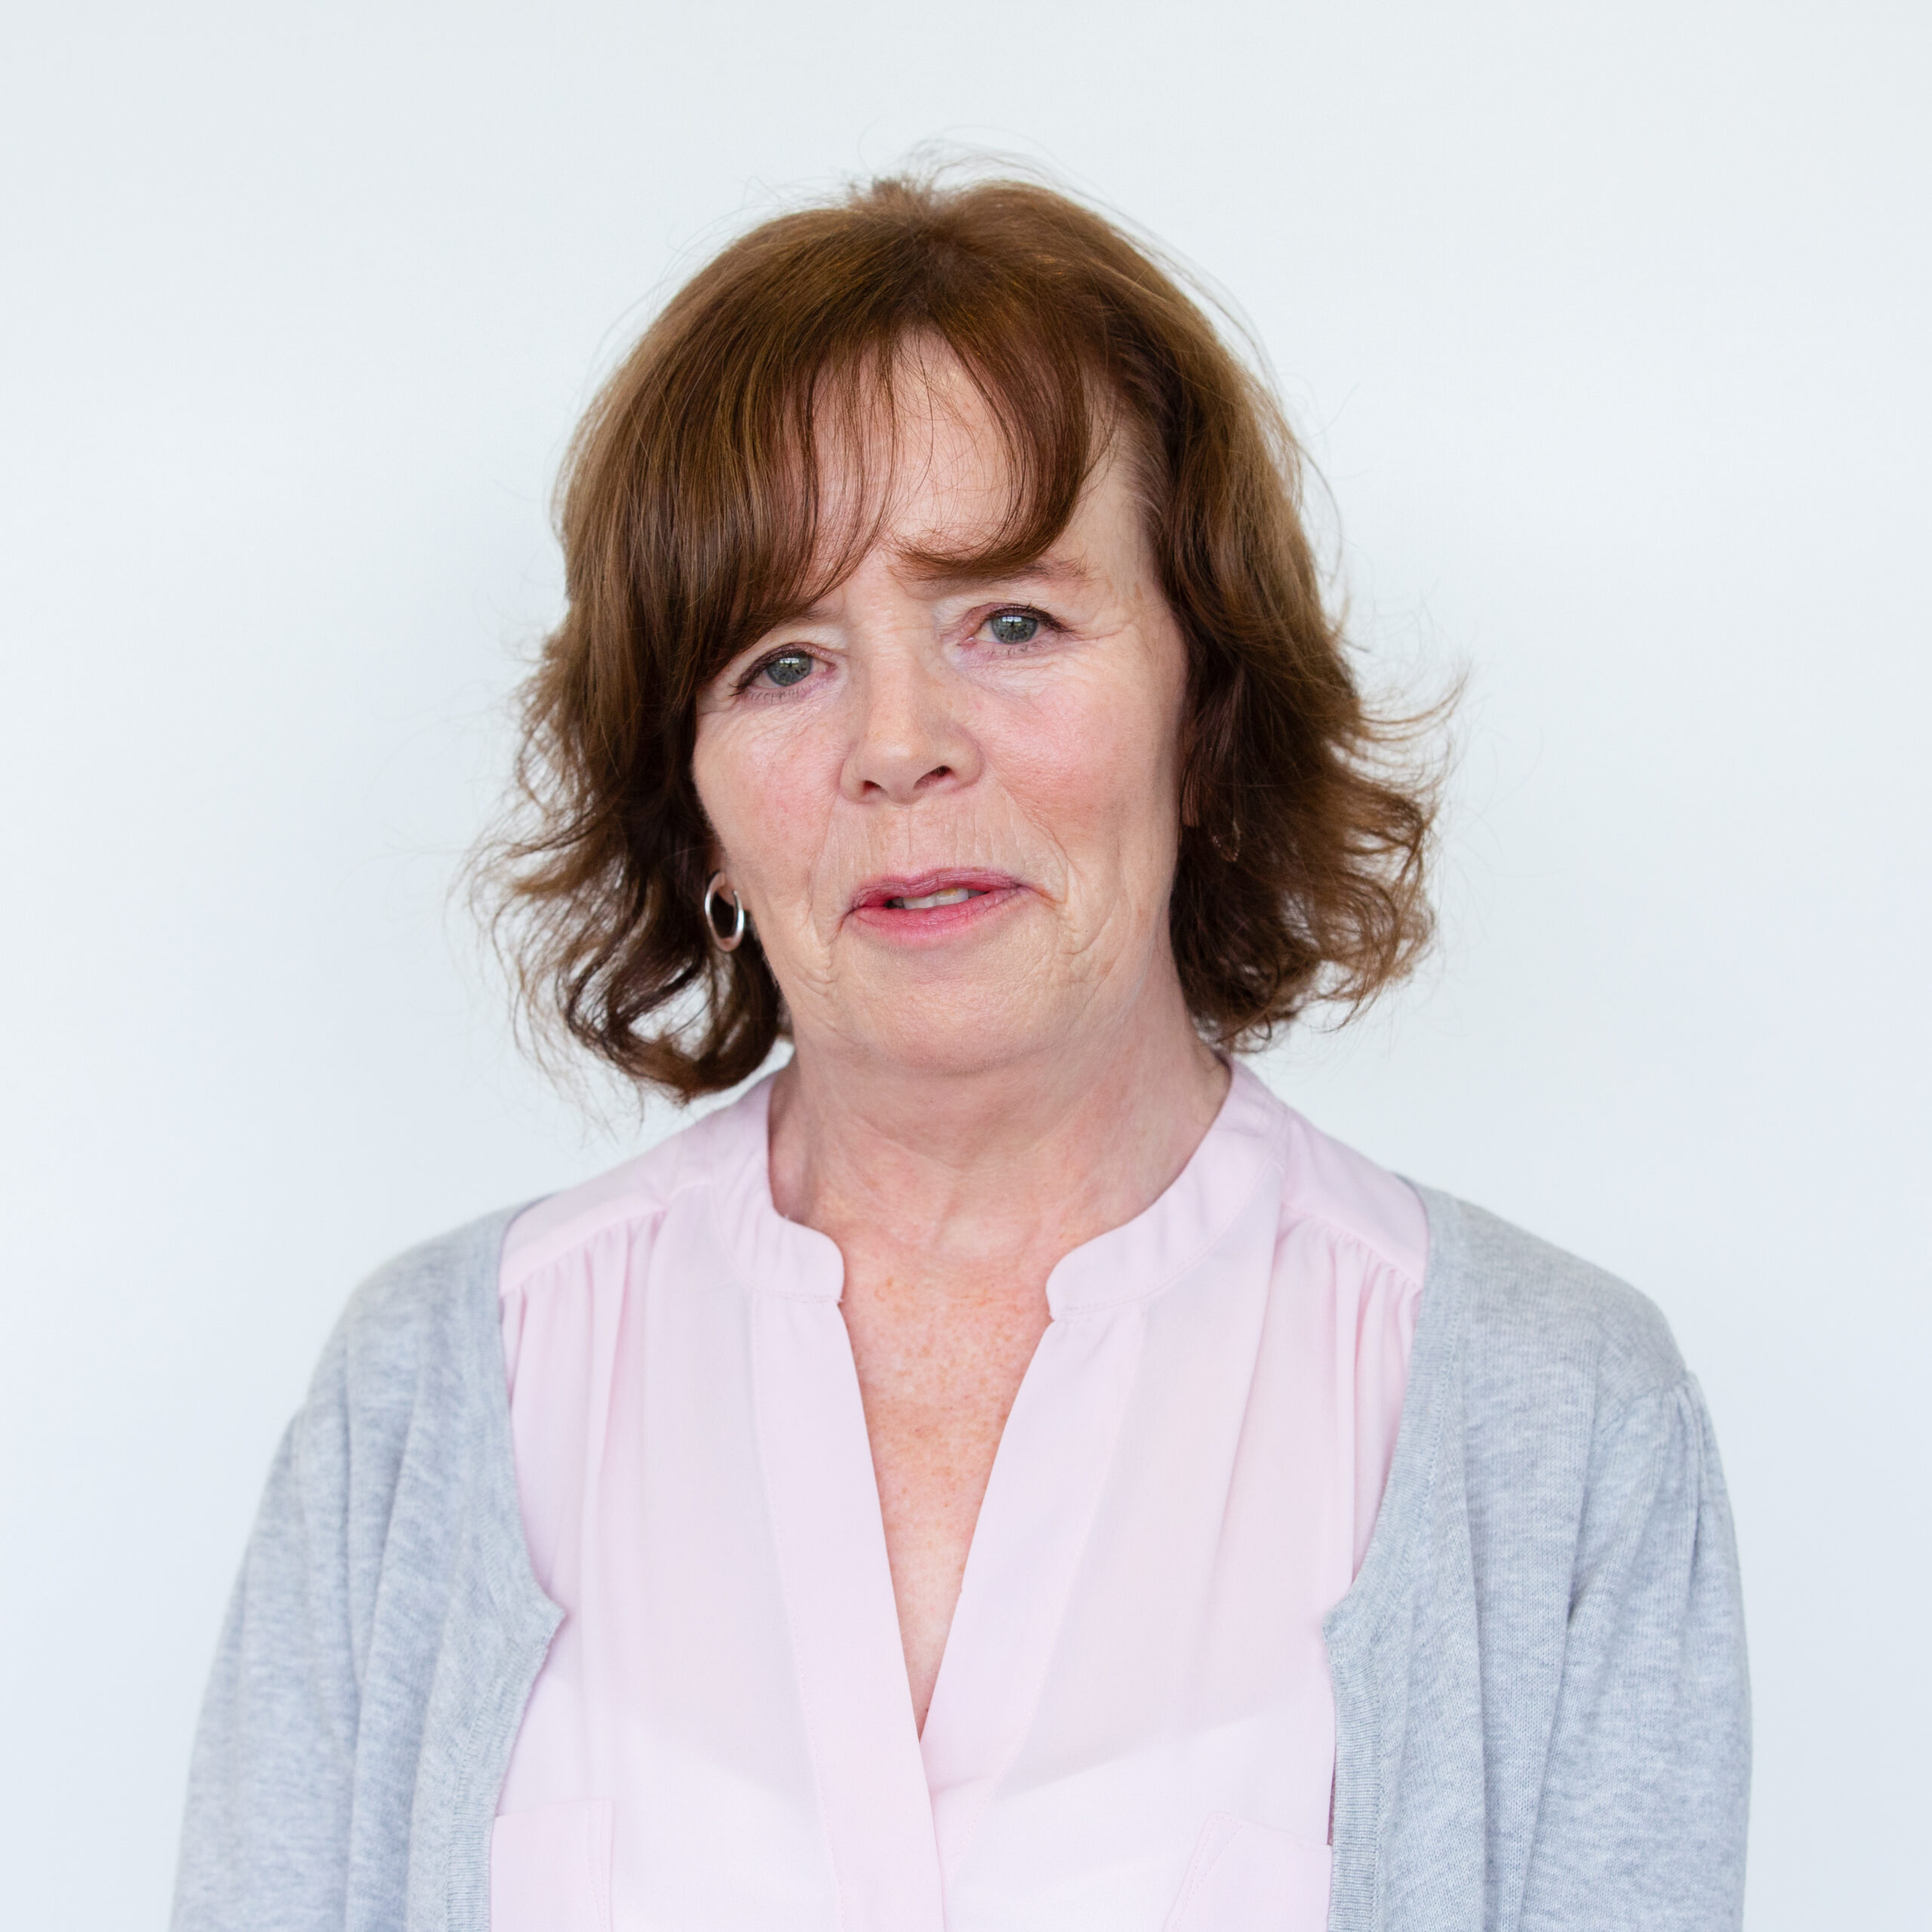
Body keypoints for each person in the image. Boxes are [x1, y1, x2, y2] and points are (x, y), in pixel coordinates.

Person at [171, 174, 1749, 1932]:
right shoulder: (432, 1394)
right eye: (781, 660)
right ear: (688, 800)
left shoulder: (1550, 1416)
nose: (898, 744)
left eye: (1009, 619)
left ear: (1203, 704)